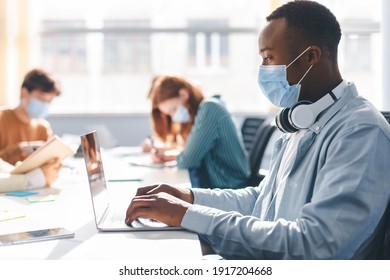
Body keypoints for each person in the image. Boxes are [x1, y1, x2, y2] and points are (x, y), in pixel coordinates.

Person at [125, 0, 390, 259]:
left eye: (269, 57)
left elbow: (316, 245)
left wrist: (187, 215)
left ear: (311, 56)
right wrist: (189, 197)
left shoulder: (360, 132)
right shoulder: (301, 121)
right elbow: (261, 201)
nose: (263, 70)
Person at [145, 75, 250, 189]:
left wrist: (168, 157)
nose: (174, 116)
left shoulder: (210, 108)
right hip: (223, 185)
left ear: (183, 94)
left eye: (174, 109)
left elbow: (187, 161)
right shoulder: (205, 109)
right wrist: (166, 156)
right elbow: (189, 152)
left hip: (229, 187)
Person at [0, 68, 61, 165]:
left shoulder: (43, 128)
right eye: (41, 98)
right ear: (24, 93)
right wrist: (20, 149)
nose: (45, 105)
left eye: (49, 101)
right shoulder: (2, 118)